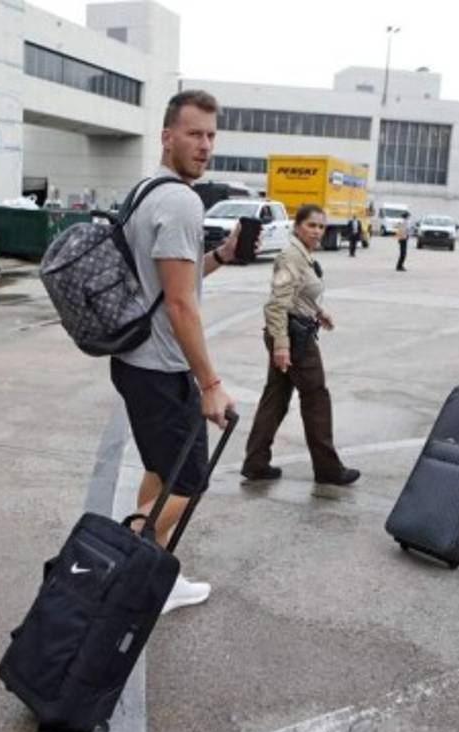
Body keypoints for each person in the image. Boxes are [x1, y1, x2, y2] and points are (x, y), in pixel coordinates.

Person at [111, 89, 241, 613]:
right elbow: (181, 307)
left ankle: (155, 577)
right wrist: (209, 384)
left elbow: (165, 284)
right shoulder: (182, 201)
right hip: (161, 369)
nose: (205, 145)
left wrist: (220, 257)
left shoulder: (145, 191)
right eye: (193, 133)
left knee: (162, 472)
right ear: (167, 136)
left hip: (132, 361)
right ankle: (120, 564)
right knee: (189, 481)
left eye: (210, 135)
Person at [240, 204, 360, 487]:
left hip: (294, 331)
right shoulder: (291, 257)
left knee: (276, 397)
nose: (317, 231)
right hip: (293, 339)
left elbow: (299, 296)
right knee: (316, 398)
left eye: (321, 226)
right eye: (311, 225)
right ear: (297, 227)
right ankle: (328, 469)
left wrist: (319, 313)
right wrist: (282, 346)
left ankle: (256, 462)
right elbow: (276, 305)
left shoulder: (303, 256)